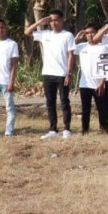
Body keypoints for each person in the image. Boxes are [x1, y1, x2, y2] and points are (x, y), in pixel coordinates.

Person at [24, 10, 76, 139]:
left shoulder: (67, 35)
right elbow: (27, 32)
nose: (54, 23)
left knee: (64, 102)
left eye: (56, 20)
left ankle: (67, 129)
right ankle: (53, 130)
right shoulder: (44, 34)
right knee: (50, 102)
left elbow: (71, 55)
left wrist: (69, 73)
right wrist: (40, 22)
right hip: (48, 73)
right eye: (51, 20)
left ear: (62, 20)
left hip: (62, 73)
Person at [74, 24, 108, 134]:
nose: (90, 35)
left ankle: (104, 128)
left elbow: (106, 65)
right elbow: (68, 48)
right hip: (84, 84)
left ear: (97, 32)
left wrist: (102, 82)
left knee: (101, 107)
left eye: (92, 32)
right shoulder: (81, 46)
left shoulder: (104, 47)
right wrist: (77, 38)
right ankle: (85, 129)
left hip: (98, 83)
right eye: (87, 33)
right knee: (85, 108)